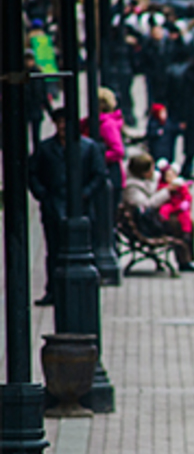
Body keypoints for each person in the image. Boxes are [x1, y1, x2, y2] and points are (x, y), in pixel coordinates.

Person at [28, 107, 109, 306]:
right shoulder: (45, 148)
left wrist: (85, 194)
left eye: (67, 122)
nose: (63, 126)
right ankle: (53, 290)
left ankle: (82, 291)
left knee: (84, 248)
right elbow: (32, 174)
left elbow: (100, 175)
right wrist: (43, 195)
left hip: (80, 208)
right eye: (60, 122)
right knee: (53, 250)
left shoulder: (88, 147)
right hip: (53, 206)